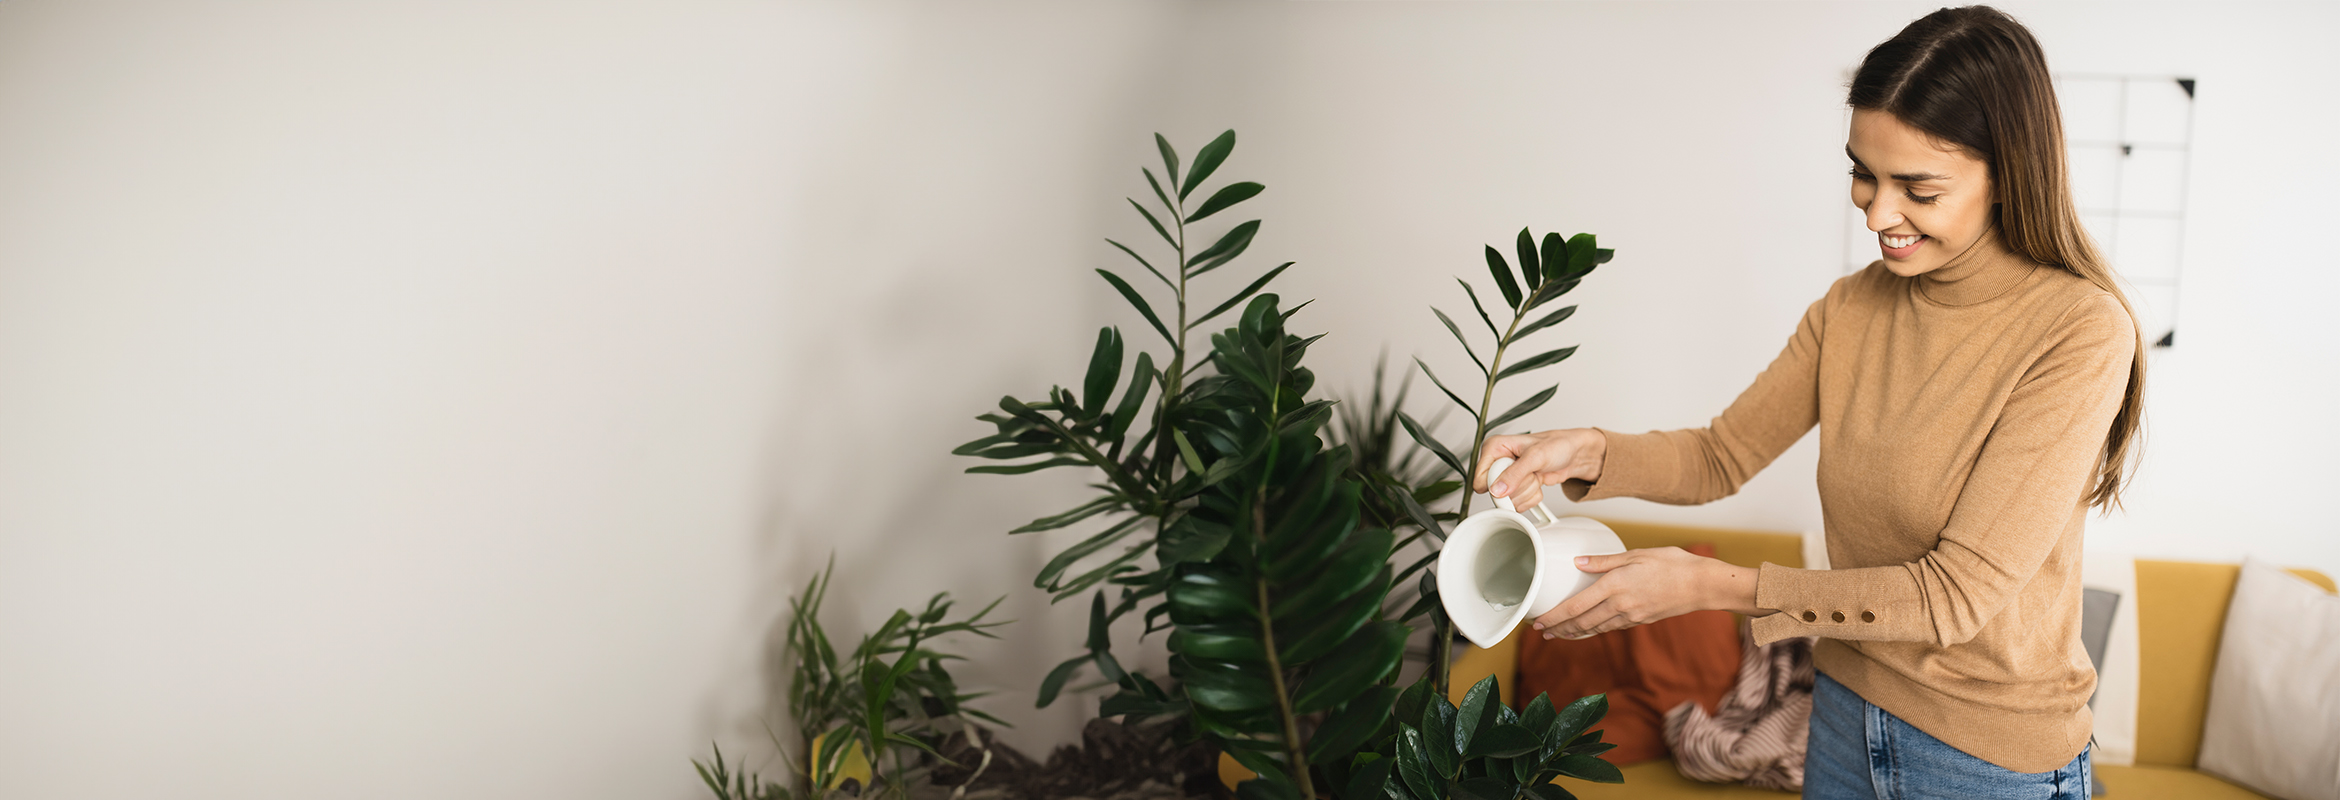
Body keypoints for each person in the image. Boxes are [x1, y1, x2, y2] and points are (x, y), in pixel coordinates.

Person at [1472, 7, 2145, 799]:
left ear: (2008, 173)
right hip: (1840, 722)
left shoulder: (2077, 331)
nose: (1876, 212)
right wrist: (1589, 451)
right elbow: (1721, 455)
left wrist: (1706, 586)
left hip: (1986, 764)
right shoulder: (1851, 308)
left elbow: (1954, 597)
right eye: (1862, 172)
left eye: (1917, 189)